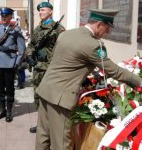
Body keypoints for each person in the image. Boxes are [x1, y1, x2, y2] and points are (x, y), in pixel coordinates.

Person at [35, 9, 142, 150]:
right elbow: (114, 71)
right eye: (107, 28)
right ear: (99, 24)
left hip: (46, 90)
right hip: (62, 98)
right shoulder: (93, 45)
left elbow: (65, 61)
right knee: (61, 143)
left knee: (43, 136)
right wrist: (139, 82)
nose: (108, 32)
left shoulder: (66, 34)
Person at [26, 1, 65, 133]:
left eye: (43, 10)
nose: (40, 12)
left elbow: (63, 48)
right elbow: (31, 44)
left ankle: (51, 126)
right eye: (39, 10)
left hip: (50, 68)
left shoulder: (59, 29)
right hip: (38, 67)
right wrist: (30, 55)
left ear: (50, 11)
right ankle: (41, 124)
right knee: (38, 96)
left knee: (49, 97)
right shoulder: (38, 28)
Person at [0, 7, 26, 122]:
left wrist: (16, 63)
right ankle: (2, 109)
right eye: (2, 16)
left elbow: (22, 49)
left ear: (10, 17)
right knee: (0, 87)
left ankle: (9, 111)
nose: (3, 18)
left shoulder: (16, 30)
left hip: (10, 63)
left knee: (10, 88)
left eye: (6, 16)